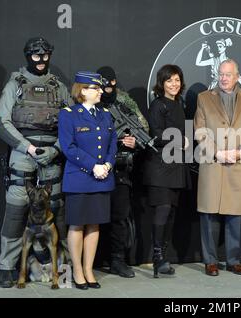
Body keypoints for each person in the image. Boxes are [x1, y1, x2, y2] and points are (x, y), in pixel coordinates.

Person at [0, 37, 72, 288]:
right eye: (36, 56)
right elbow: (2, 122)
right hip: (23, 150)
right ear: (28, 56)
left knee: (57, 211)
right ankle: (7, 267)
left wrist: (56, 149)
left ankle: (62, 267)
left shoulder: (59, 87)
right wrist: (27, 147)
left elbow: (71, 124)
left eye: (45, 55)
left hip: (51, 153)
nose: (41, 61)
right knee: (16, 212)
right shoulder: (15, 85)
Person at [194, 59, 241, 276]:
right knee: (209, 216)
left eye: (228, 74)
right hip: (213, 165)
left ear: (237, 76)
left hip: (238, 165)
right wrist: (217, 152)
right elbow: (200, 131)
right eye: (220, 74)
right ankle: (210, 261)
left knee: (236, 216)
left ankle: (234, 260)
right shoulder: (204, 98)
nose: (223, 78)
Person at [58, 71, 117, 289]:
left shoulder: (105, 114)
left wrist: (108, 165)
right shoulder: (68, 114)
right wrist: (94, 166)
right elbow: (68, 147)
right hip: (80, 178)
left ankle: (89, 269)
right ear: (82, 91)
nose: (101, 91)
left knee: (94, 224)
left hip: (102, 177)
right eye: (95, 88)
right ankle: (77, 270)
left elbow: (112, 144)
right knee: (77, 225)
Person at [96, 66, 149, 278]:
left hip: (120, 168)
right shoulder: (91, 100)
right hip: (96, 167)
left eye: (111, 83)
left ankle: (117, 260)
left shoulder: (125, 101)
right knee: (93, 217)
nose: (108, 88)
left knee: (120, 216)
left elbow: (143, 127)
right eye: (103, 84)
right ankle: (91, 260)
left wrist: (133, 141)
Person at [143, 64, 190, 278]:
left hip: (176, 167)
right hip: (160, 168)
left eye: (177, 80)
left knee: (171, 213)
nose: (174, 84)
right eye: (169, 80)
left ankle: (163, 256)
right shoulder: (158, 104)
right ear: (161, 83)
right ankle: (157, 258)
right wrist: (181, 140)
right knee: (162, 211)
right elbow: (156, 133)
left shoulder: (179, 104)